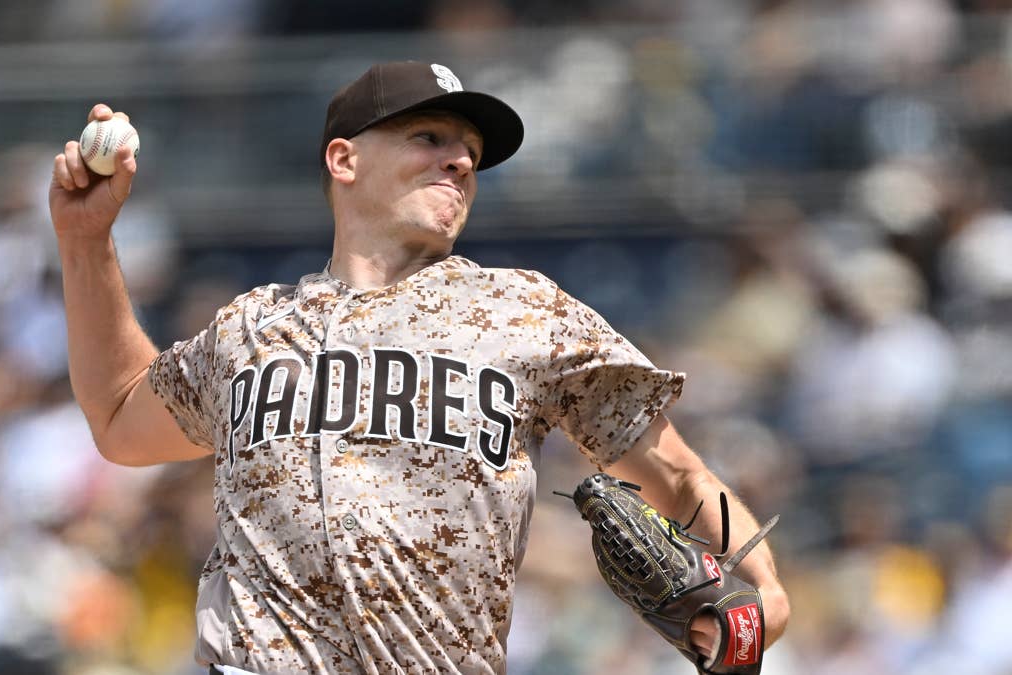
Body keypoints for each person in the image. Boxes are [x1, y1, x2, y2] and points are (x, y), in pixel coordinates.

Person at [48, 61, 790, 674]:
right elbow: (118, 416)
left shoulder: (525, 312)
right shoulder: (249, 329)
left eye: (470, 151)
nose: (460, 160)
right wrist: (86, 241)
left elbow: (678, 474)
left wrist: (765, 588)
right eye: (428, 136)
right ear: (344, 159)